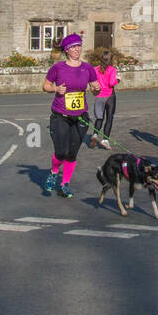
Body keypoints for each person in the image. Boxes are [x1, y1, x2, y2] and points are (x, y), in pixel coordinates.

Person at [41, 33, 100, 198]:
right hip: (61, 116)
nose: (77, 49)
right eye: (74, 47)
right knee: (61, 152)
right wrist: (56, 89)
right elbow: (45, 86)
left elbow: (96, 91)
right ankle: (54, 172)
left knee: (72, 153)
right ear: (67, 50)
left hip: (80, 117)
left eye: (79, 46)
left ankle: (65, 184)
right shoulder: (58, 68)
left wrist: (96, 89)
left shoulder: (87, 68)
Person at [91, 49, 119, 149]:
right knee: (109, 117)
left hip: (99, 96)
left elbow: (92, 81)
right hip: (110, 96)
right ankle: (105, 140)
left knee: (99, 117)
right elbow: (112, 83)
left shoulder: (95, 69)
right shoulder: (112, 70)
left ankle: (95, 134)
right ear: (110, 60)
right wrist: (118, 80)